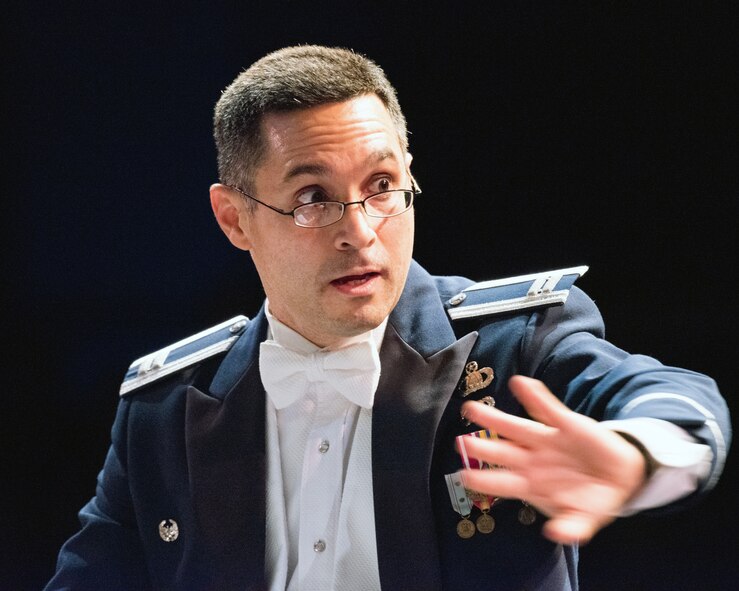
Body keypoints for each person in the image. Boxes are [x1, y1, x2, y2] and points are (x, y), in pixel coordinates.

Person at [45, 45, 730, 591]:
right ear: (234, 217)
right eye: (312, 196)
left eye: (380, 187)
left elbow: (670, 397)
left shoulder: (510, 344)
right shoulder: (165, 411)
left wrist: (637, 453)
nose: (360, 231)